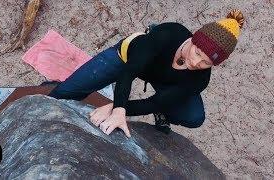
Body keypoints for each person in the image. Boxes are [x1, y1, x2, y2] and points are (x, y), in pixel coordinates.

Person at [45, 9, 244, 138]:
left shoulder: (200, 78)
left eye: (205, 63)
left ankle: (162, 113)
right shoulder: (168, 35)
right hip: (129, 59)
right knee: (61, 94)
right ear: (194, 39)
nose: (195, 63)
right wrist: (119, 109)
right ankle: (151, 31)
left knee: (194, 116)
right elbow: (128, 72)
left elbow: (155, 102)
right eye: (197, 53)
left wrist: (112, 106)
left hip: (164, 80)